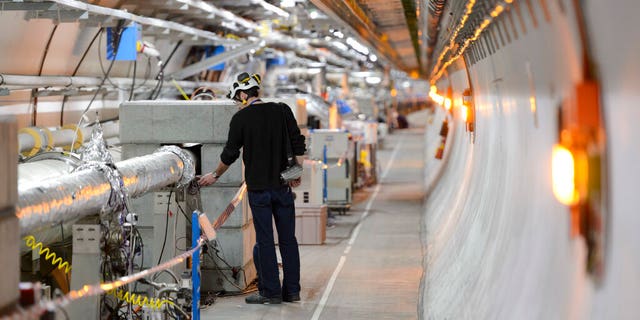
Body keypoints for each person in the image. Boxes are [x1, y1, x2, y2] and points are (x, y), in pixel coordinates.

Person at [198, 72, 305, 305]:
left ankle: (271, 293)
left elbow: (230, 154)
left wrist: (214, 175)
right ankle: (292, 291)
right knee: (288, 240)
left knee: (265, 241)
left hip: (259, 191)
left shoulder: (241, 118)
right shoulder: (282, 110)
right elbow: (298, 142)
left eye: (238, 97)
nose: (238, 101)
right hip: (283, 187)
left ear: (245, 93)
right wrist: (297, 172)